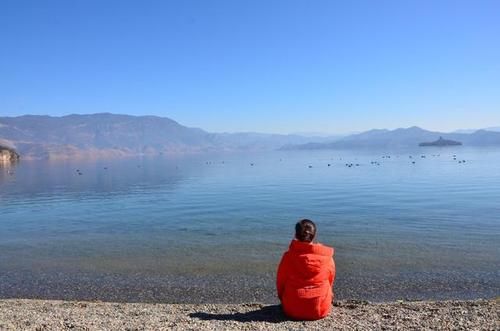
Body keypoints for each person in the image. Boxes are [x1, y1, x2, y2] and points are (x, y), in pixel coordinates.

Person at [276, 219, 336, 320]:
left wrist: (282, 297)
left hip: (292, 309)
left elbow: (280, 282)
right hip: (320, 308)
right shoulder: (327, 257)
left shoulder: (288, 256)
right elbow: (330, 279)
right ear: (314, 235)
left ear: (295, 234)